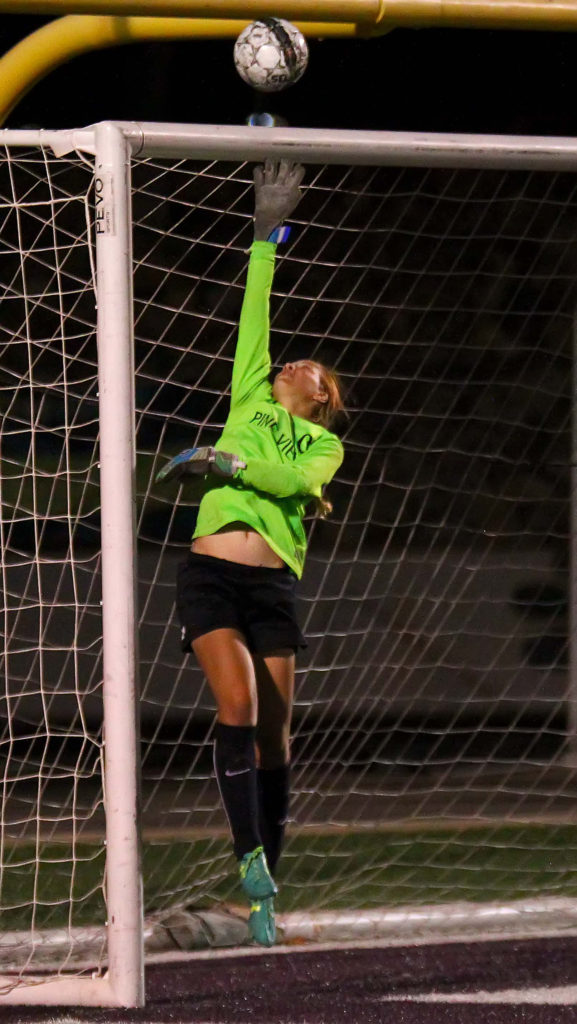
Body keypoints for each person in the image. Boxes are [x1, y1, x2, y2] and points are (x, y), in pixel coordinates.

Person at [157, 160, 345, 946]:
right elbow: (254, 315)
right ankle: (250, 866)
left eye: (310, 369)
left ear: (325, 399)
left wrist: (232, 465)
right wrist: (265, 235)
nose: (291, 364)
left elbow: (287, 480)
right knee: (234, 708)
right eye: (288, 363)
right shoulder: (249, 397)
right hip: (211, 578)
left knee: (275, 737)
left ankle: (263, 895)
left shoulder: (322, 450)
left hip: (270, 594)